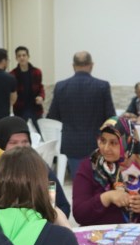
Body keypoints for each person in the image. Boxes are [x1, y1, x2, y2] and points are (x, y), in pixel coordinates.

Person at [72, 116, 140, 225]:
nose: (106, 148)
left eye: (113, 143)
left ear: (128, 142)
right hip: (99, 233)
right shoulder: (90, 166)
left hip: (138, 233)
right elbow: (79, 214)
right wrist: (106, 198)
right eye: (103, 141)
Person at [48, 51, 116, 179]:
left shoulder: (61, 86)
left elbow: (53, 116)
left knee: (79, 182)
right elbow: (110, 117)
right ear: (91, 65)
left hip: (71, 143)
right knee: (98, 182)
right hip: (96, 144)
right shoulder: (102, 86)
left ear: (73, 66)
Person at [0, 116, 71, 216]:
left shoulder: (41, 169)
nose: (20, 147)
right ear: (0, 144)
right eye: (13, 143)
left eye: (25, 142)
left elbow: (61, 205)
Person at [10, 46, 45, 134]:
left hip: (35, 108)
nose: (22, 58)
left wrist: (41, 96)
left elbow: (40, 87)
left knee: (41, 133)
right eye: (19, 56)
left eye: (24, 55)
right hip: (20, 109)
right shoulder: (12, 74)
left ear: (28, 56)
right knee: (20, 133)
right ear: (16, 58)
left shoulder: (37, 72)